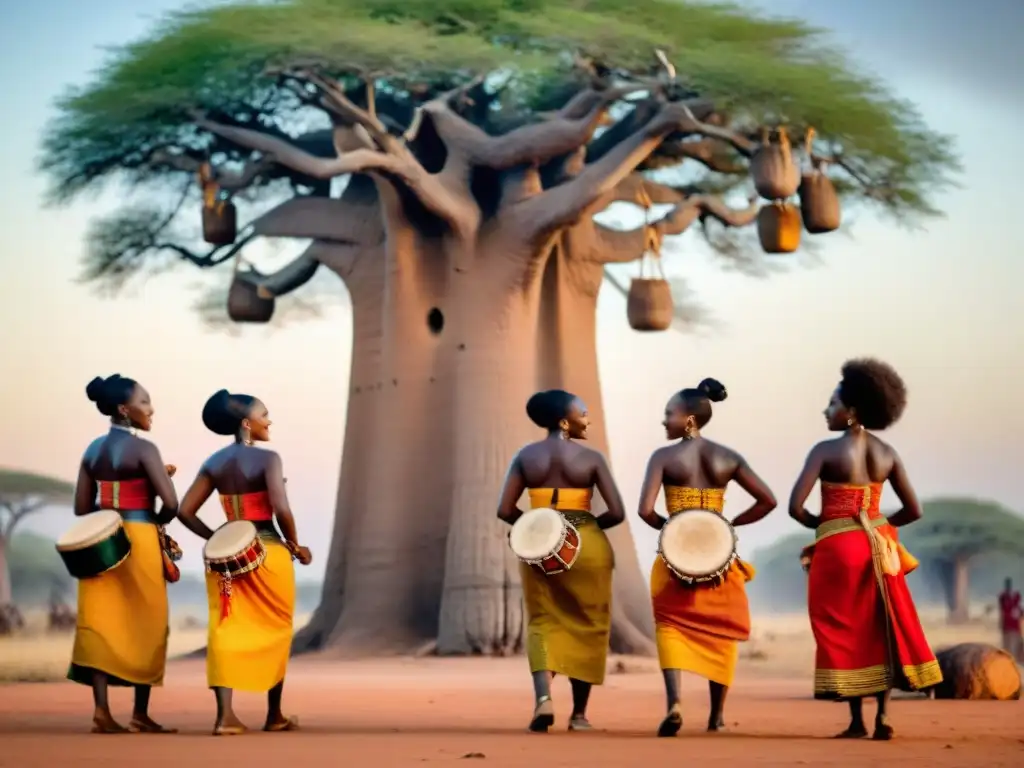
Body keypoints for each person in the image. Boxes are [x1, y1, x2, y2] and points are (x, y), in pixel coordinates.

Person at [789, 359, 942, 740]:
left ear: (852, 411)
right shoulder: (887, 452)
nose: (825, 411)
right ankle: (883, 717)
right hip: (879, 546)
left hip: (837, 549)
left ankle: (857, 721)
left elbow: (796, 507)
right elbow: (914, 510)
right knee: (881, 627)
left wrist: (824, 527)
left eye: (831, 404)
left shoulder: (824, 451)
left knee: (845, 630)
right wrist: (878, 525)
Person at [637, 378, 776, 736]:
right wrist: (729, 526)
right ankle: (716, 717)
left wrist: (673, 533)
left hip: (673, 560)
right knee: (721, 633)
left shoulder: (663, 457)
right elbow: (768, 501)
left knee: (669, 626)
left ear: (688, 420)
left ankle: (675, 704)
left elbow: (645, 511)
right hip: (720, 559)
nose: (664, 420)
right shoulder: (728, 457)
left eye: (669, 414)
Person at [177, 389, 312, 736]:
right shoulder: (269, 459)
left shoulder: (214, 462)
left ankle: (225, 717)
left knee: (225, 629)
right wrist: (296, 546)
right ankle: (274, 715)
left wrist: (217, 538)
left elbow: (184, 511)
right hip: (267, 552)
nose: (269, 421)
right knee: (277, 628)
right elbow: (281, 509)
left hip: (224, 560)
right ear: (246, 423)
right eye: (264, 414)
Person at [497, 389, 627, 733]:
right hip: (587, 545)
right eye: (582, 413)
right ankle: (579, 716)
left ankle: (543, 700)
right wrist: (583, 530)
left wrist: (536, 528)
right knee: (589, 623)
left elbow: (505, 510)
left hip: (538, 547)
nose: (587, 419)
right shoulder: (592, 458)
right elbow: (616, 512)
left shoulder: (526, 456)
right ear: (563, 421)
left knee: (542, 621)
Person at [70, 374, 178, 734]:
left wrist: (107, 521)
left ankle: (101, 711)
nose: (151, 409)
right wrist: (154, 522)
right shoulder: (146, 449)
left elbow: (82, 507)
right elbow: (172, 504)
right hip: (139, 535)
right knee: (147, 620)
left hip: (101, 541)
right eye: (145, 402)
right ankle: (139, 712)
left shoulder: (92, 450)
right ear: (124, 409)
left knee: (102, 622)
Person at [998, 578, 1023, 662]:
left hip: (1014, 627)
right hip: (1008, 626)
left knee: (1013, 647)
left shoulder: (1015, 598)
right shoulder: (1004, 598)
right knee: (1008, 646)